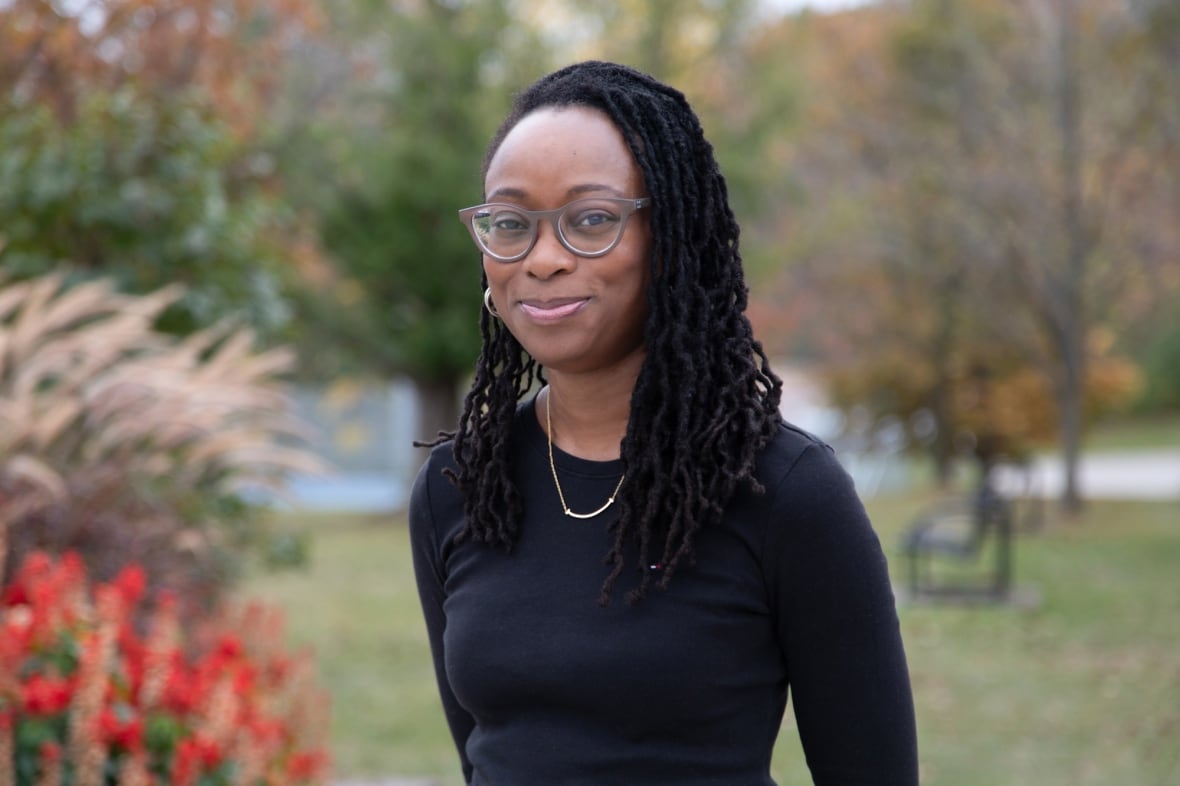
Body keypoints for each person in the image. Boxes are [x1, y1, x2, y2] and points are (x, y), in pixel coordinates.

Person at [409, 60, 918, 786]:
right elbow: (484, 760)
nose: (543, 260)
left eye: (591, 219)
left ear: (670, 240)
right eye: (511, 224)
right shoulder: (460, 486)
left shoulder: (785, 493)